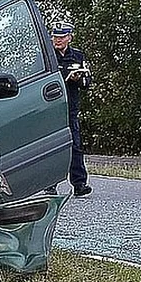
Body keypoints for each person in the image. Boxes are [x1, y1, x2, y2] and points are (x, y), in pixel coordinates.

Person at [51, 17, 92, 197]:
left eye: (61, 37)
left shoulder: (78, 56)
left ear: (70, 38)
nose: (57, 40)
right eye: (55, 37)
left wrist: (79, 79)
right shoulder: (47, 57)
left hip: (70, 108)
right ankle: (50, 184)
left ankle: (79, 184)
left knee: (75, 146)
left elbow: (87, 82)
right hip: (50, 109)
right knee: (52, 147)